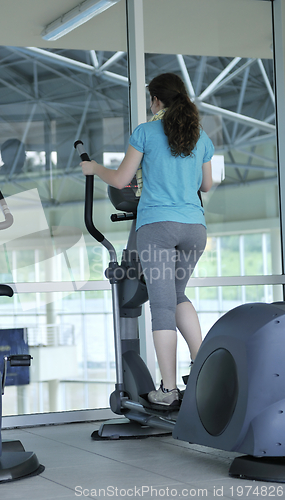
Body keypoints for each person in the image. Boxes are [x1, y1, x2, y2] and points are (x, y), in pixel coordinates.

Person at [81, 73, 214, 408]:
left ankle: (168, 391)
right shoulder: (199, 135)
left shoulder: (145, 132)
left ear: (155, 100)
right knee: (178, 294)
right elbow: (207, 184)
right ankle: (203, 368)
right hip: (194, 229)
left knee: (163, 306)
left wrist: (95, 168)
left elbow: (123, 178)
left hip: (157, 226)